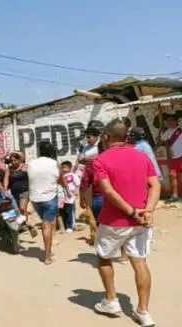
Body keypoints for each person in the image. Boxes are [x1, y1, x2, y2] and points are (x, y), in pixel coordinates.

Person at [92, 119, 160, 327]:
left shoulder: (100, 160)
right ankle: (143, 311)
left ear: (106, 138)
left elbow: (109, 191)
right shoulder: (142, 156)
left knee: (104, 258)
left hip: (114, 220)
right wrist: (147, 211)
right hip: (141, 221)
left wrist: (132, 211)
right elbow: (155, 184)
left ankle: (112, 300)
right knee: (140, 262)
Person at [27, 141, 61, 265]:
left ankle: (49, 249)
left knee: (46, 223)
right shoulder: (54, 163)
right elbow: (61, 180)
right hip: (50, 198)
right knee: (47, 226)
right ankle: (47, 256)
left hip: (35, 199)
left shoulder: (31, 163)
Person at [3, 152, 37, 237]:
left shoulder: (25, 167)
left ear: (19, 159)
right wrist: (5, 190)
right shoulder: (9, 169)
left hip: (25, 191)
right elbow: (6, 180)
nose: (13, 162)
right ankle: (25, 224)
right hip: (14, 192)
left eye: (15, 160)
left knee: (22, 208)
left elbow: (33, 177)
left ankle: (24, 226)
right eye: (12, 161)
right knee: (16, 210)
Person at [80, 142, 106, 245]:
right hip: (119, 197)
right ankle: (124, 254)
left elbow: (84, 183)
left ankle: (98, 242)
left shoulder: (93, 162)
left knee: (96, 221)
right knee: (118, 225)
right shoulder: (122, 160)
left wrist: (82, 199)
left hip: (98, 197)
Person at [159, 114, 182, 202]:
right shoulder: (168, 131)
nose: (168, 122)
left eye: (170, 120)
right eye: (167, 121)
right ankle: (175, 196)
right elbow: (161, 141)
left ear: (176, 121)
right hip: (175, 158)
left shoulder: (180, 130)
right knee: (173, 176)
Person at [59, 161, 80, 233]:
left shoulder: (73, 175)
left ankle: (70, 226)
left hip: (71, 196)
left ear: (70, 168)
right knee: (64, 211)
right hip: (63, 197)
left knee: (70, 211)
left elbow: (77, 184)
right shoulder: (61, 176)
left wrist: (77, 191)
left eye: (65, 167)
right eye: (62, 168)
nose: (63, 169)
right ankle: (66, 225)